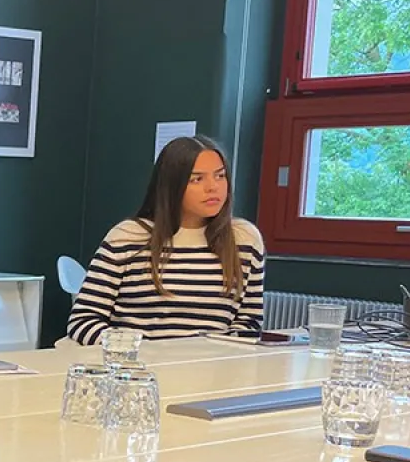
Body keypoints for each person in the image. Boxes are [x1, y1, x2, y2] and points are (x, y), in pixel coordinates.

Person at [66, 135, 264, 343]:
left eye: (220, 176)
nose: (212, 187)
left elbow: (249, 323)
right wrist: (132, 351)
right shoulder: (127, 237)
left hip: (211, 369)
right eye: (197, 179)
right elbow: (83, 320)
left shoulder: (244, 239)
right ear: (172, 185)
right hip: (137, 369)